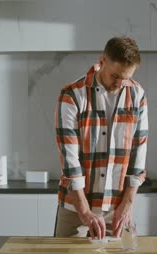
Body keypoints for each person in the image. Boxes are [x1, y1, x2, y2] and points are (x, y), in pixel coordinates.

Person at [54, 36, 148, 240]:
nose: (120, 83)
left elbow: (138, 153)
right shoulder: (72, 95)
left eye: (126, 77)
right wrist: (85, 211)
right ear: (102, 61)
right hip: (75, 206)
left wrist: (128, 204)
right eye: (115, 76)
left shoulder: (137, 94)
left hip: (117, 206)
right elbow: (70, 162)